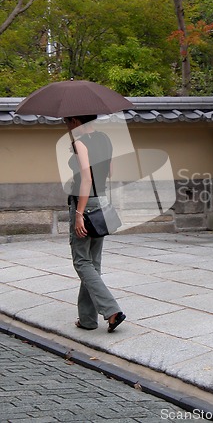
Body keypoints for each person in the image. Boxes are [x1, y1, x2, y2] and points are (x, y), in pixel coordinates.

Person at [65, 115, 125, 333]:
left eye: (67, 121)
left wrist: (79, 213)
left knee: (81, 261)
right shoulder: (105, 139)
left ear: (75, 120)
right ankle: (88, 319)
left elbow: (86, 179)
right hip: (101, 200)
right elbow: (109, 171)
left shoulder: (80, 143)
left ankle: (112, 310)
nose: (67, 125)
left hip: (84, 202)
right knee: (93, 263)